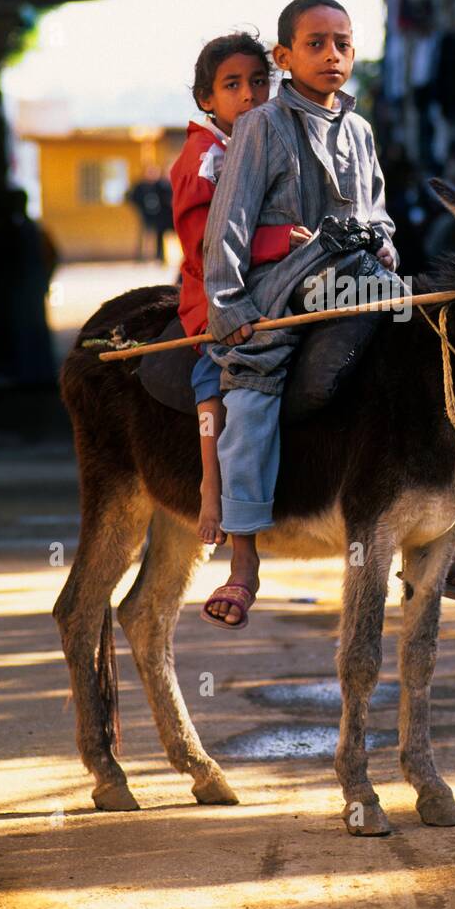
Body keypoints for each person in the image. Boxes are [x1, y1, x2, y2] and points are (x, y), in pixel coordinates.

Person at [202, 0, 455, 631]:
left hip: (362, 279)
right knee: (251, 396)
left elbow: (381, 213)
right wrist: (230, 309)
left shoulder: (360, 131)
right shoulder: (262, 127)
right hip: (284, 291)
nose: (331, 55)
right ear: (283, 58)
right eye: (314, 44)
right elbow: (227, 227)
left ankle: (440, 539)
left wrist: (381, 240)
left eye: (342, 43)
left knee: (427, 357)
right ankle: (244, 560)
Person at [170, 33, 311, 581]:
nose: (249, 94)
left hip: (272, 283)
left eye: (259, 81)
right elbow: (208, 243)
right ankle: (213, 488)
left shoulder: (269, 139)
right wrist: (278, 242)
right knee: (220, 370)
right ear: (207, 99)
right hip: (215, 293)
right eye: (233, 85)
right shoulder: (203, 159)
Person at [127, 165, 171, 261]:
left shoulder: (160, 185)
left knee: (159, 236)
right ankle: (142, 256)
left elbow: (167, 198)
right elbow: (132, 198)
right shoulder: (140, 186)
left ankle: (159, 256)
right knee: (145, 235)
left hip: (160, 216)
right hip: (146, 215)